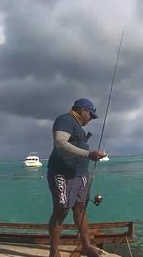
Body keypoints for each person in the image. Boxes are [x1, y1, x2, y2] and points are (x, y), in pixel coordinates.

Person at [47, 98, 107, 257]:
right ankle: (54, 251)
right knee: (61, 210)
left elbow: (75, 146)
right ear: (82, 110)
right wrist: (88, 154)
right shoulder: (65, 120)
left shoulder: (78, 127)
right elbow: (60, 142)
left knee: (81, 208)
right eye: (91, 115)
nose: (91, 119)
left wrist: (89, 157)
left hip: (80, 174)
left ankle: (86, 246)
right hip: (62, 173)